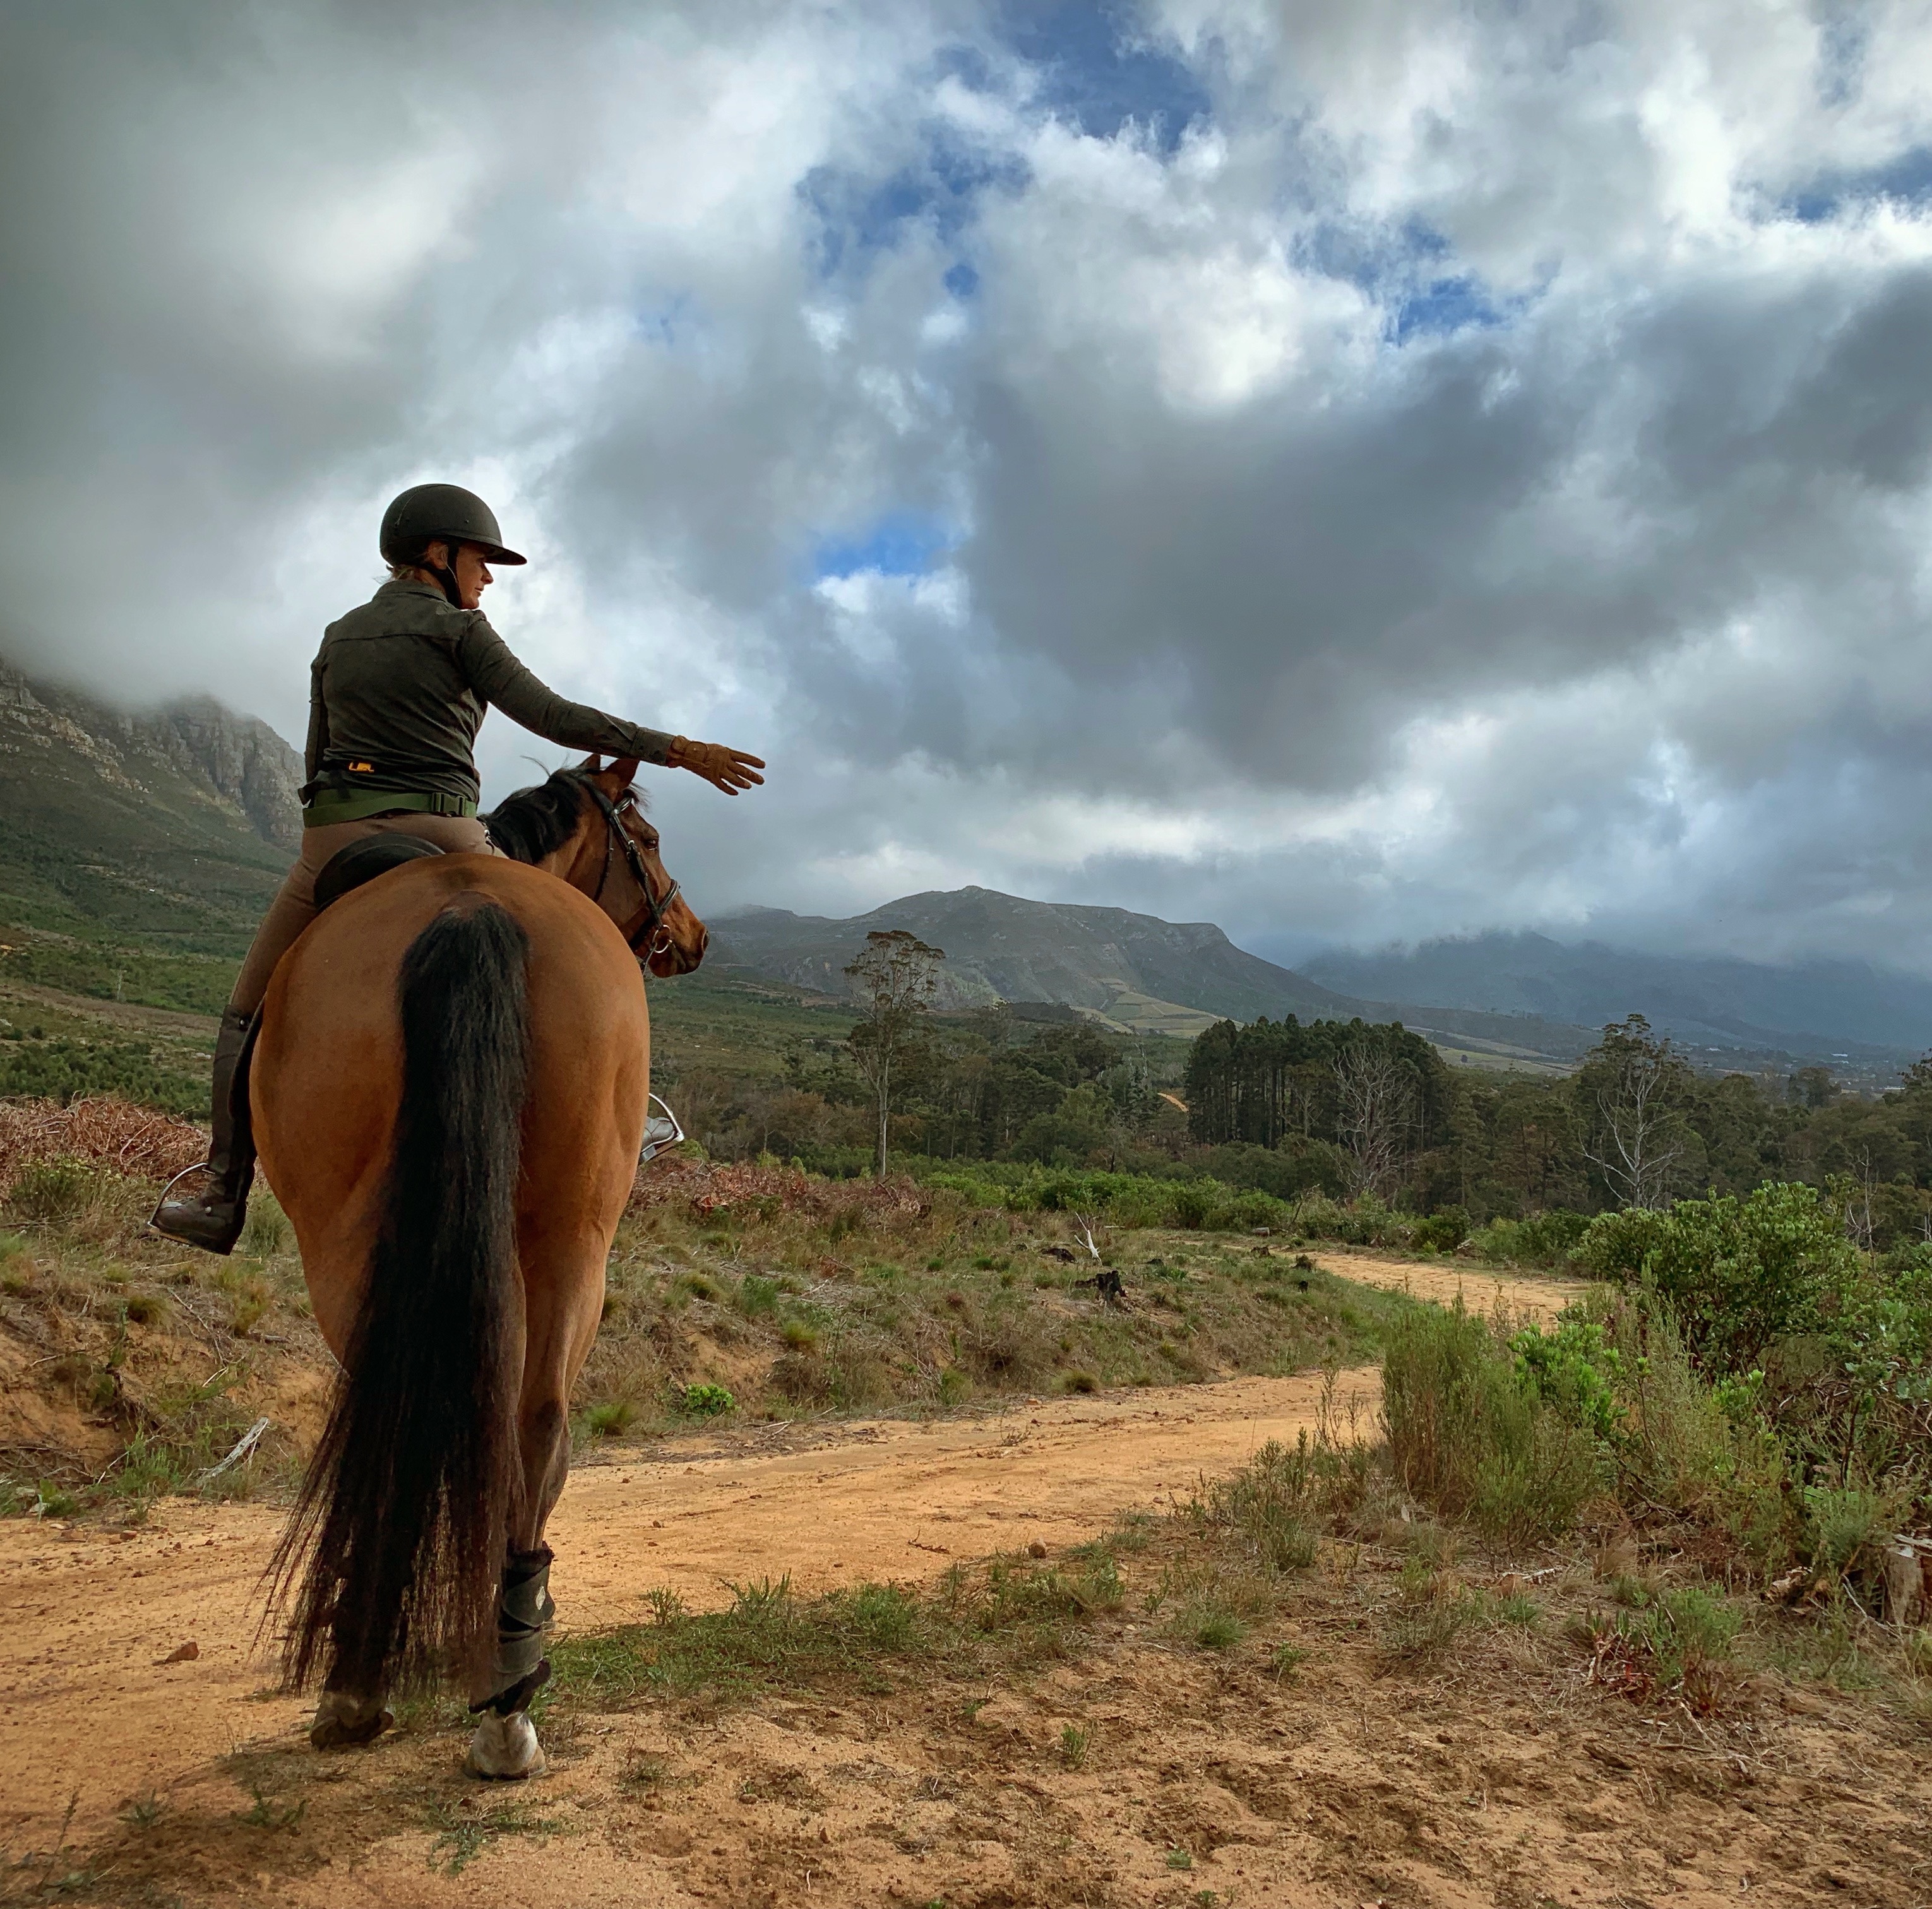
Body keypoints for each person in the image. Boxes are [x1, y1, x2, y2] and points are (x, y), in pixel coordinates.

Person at [152, 482, 764, 1252]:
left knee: (247, 1011)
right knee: (555, 958)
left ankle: (221, 1189)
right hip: (447, 834)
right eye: (481, 559)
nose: (489, 577)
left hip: (333, 843)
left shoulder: (339, 636)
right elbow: (553, 717)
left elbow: (315, 756)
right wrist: (677, 750)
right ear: (439, 555)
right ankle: (619, 1117)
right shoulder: (462, 630)